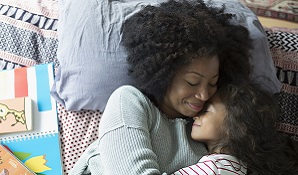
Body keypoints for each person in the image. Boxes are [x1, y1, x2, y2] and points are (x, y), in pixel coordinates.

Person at [70, 0, 252, 174]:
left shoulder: (204, 132)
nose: (204, 95)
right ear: (165, 73)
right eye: (192, 82)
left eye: (212, 83)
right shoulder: (129, 102)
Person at [172, 83, 298, 175]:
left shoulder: (214, 168)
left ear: (238, 127)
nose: (195, 115)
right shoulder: (238, 167)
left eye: (206, 111)